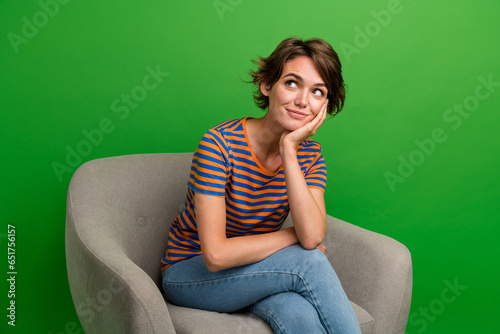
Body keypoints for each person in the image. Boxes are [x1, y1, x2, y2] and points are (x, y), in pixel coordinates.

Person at [161, 37, 361, 334]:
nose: (303, 101)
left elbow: (313, 235)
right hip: (190, 273)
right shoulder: (219, 145)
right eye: (292, 83)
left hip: (256, 270)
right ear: (267, 85)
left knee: (300, 317)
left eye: (317, 91)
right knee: (308, 263)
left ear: (325, 105)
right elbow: (216, 256)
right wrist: (291, 236)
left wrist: (289, 150)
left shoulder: (310, 156)